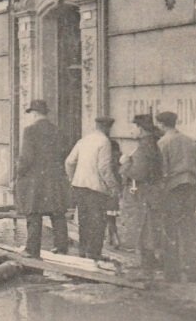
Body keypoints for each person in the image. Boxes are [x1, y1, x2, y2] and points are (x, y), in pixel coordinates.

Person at [16, 99, 71, 257]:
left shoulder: (30, 131)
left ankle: (32, 250)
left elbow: (26, 158)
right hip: (55, 179)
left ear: (34, 113)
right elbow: (64, 153)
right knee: (58, 214)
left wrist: (19, 173)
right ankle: (61, 248)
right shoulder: (58, 131)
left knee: (34, 214)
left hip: (36, 181)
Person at [156, 111, 196, 282]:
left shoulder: (163, 143)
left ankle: (172, 273)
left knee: (170, 230)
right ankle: (193, 272)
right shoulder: (190, 141)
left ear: (161, 124)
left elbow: (161, 171)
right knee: (188, 230)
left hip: (173, 189)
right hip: (190, 188)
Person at [65, 116, 121, 260]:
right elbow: (104, 169)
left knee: (84, 221)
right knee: (97, 223)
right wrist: (113, 186)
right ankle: (94, 253)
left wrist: (72, 178)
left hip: (79, 186)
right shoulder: (104, 142)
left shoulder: (83, 140)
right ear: (108, 127)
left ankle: (83, 251)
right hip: (96, 188)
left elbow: (69, 162)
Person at [121, 114, 164, 274]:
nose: (132, 130)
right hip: (150, 192)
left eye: (134, 127)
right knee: (148, 226)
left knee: (145, 226)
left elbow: (138, 173)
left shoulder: (144, 147)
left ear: (140, 128)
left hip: (143, 193)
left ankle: (148, 263)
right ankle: (149, 261)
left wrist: (124, 165)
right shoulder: (151, 145)